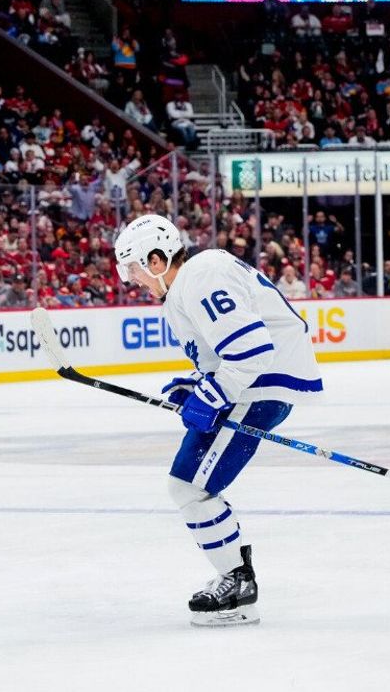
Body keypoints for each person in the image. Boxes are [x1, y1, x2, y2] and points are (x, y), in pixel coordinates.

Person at [112, 214, 323, 627]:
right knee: (189, 486)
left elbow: (251, 349)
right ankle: (236, 577)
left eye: (134, 268)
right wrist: (197, 385)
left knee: (189, 486)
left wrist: (211, 395)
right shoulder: (187, 286)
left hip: (260, 386)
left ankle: (238, 584)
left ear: (156, 259)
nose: (130, 279)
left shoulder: (201, 274)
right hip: (255, 385)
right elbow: (226, 355)